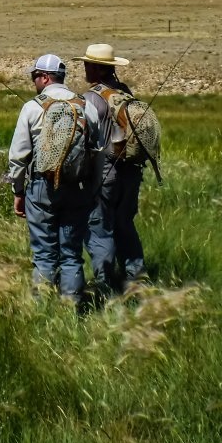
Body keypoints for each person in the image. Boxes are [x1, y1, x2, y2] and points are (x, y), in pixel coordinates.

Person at [7, 54, 92, 303]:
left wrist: (18, 192)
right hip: (77, 187)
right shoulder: (84, 105)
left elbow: (18, 156)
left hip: (42, 188)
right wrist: (92, 189)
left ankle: (43, 311)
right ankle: (72, 309)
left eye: (35, 76)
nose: (33, 81)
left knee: (44, 255)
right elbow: (96, 151)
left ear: (44, 77)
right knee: (71, 254)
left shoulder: (32, 107)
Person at [73, 43, 147, 292]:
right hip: (132, 173)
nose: (84, 67)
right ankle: (135, 281)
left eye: (87, 64)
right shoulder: (125, 92)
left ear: (95, 68)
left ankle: (106, 287)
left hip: (104, 177)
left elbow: (83, 141)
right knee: (126, 226)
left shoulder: (91, 98)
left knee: (100, 231)